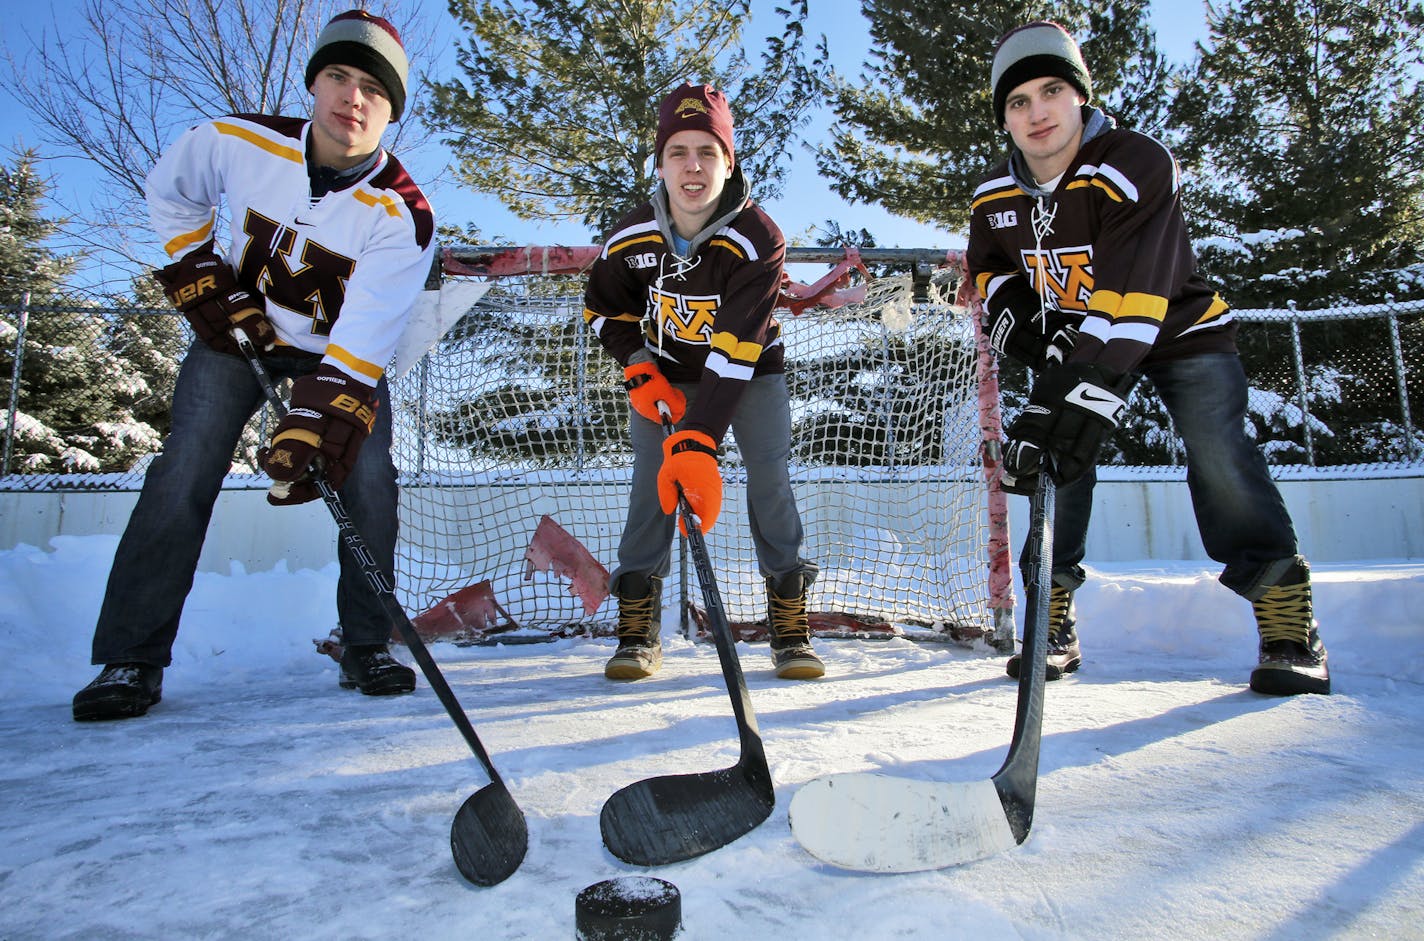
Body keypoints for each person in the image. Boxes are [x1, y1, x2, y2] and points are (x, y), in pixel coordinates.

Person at [73, 10, 436, 721]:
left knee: (370, 480)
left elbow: (364, 337)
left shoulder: (403, 214)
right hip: (237, 338)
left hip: (337, 355)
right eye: (338, 75)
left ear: (390, 111)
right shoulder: (234, 142)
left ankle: (367, 642)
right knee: (184, 466)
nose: (352, 97)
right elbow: (170, 192)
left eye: (373, 88)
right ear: (314, 83)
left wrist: (316, 417)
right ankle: (131, 657)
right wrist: (200, 267)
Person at [967, 21, 1329, 696]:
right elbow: (989, 271)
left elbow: (1134, 294)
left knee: (1216, 447)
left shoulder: (1133, 162)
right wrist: (1026, 324)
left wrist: (1081, 383)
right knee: (1058, 455)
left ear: (1081, 96)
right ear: (1005, 120)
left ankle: (1286, 616)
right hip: (1086, 340)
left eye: (1052, 90)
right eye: (1017, 101)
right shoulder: (993, 196)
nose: (1037, 111)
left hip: (1176, 330)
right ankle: (1051, 612)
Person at [582, 83, 822, 682]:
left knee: (769, 479)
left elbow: (738, 348)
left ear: (729, 161)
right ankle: (638, 626)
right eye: (678, 152)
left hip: (747, 374)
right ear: (660, 163)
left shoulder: (757, 239)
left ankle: (789, 623)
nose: (693, 166)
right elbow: (603, 310)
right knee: (650, 486)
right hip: (663, 375)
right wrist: (638, 365)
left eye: (708, 152)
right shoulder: (630, 237)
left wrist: (698, 440)